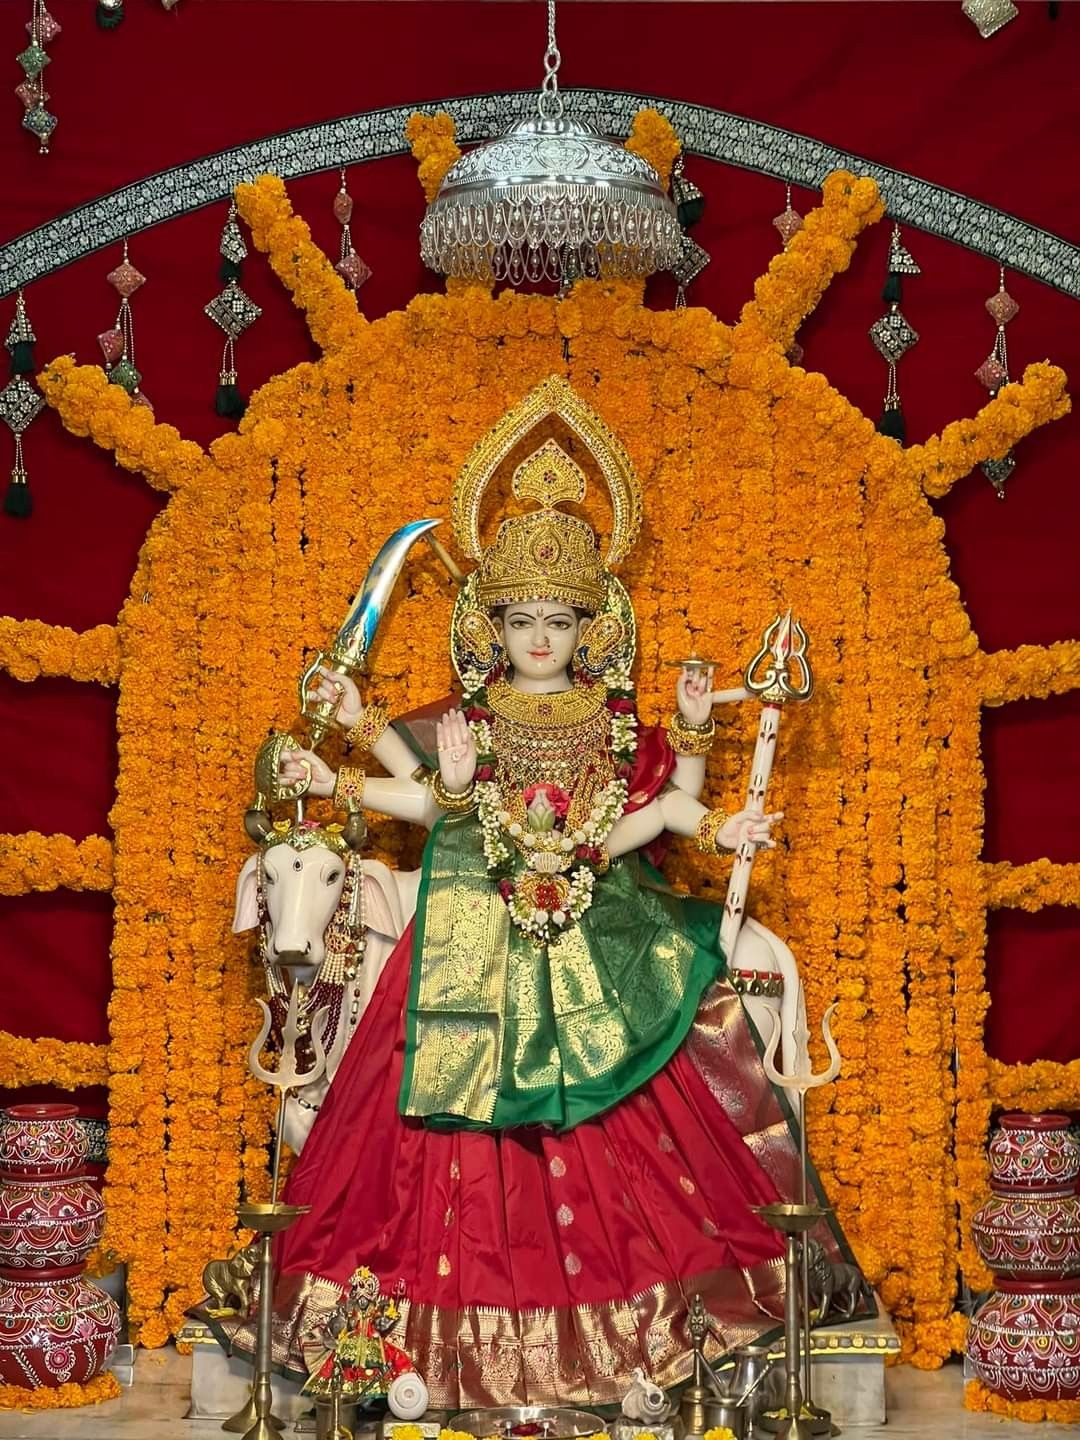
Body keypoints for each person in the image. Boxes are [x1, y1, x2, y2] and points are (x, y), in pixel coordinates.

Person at [220, 380, 860, 1408]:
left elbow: (651, 816)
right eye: (520, 620)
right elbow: (440, 804)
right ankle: (409, 1341)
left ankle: (656, 1332)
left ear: (588, 627)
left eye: (558, 621)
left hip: (598, 931)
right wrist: (341, 756)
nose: (538, 640)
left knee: (635, 1090)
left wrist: (708, 788)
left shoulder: (615, 726)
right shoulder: (465, 719)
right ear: (493, 624)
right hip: (470, 939)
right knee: (429, 1118)